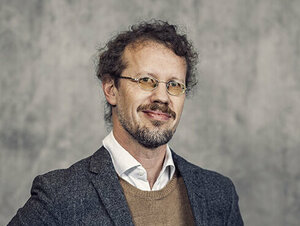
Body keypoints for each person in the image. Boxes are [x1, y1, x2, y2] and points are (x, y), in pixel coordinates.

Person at [9, 20, 243, 225]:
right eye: (146, 80)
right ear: (111, 90)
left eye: (174, 85)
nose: (162, 97)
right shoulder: (59, 196)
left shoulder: (219, 194)